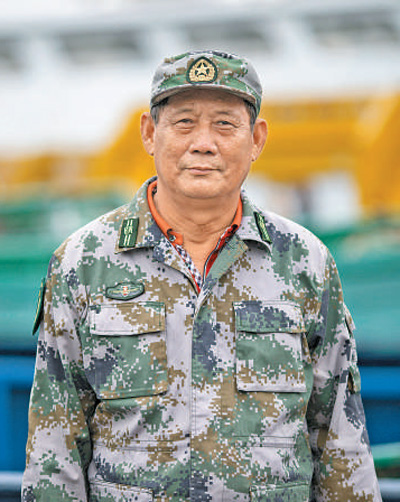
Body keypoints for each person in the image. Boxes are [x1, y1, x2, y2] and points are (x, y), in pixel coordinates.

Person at [22, 50, 382, 501]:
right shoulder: (84, 262)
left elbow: (340, 442)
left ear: (257, 139)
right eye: (184, 123)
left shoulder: (305, 263)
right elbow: (55, 447)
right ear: (149, 133)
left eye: (225, 124)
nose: (204, 143)